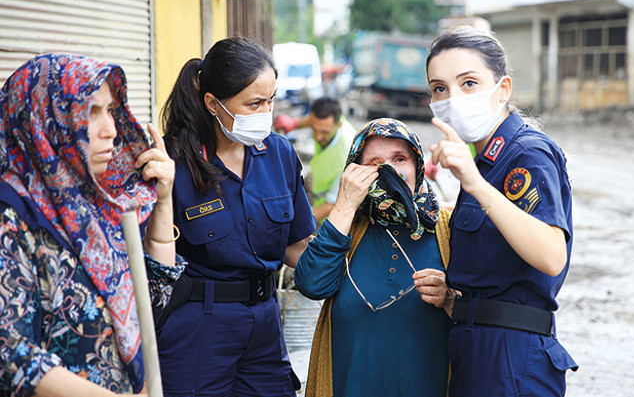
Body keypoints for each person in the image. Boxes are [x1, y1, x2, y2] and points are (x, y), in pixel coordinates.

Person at [0, 53, 184, 396]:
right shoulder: (11, 216)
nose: (110, 130)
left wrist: (162, 201)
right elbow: (10, 354)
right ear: (45, 120)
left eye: (111, 111)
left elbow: (153, 299)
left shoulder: (99, 204)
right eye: (90, 113)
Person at [157, 37, 315, 396]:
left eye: (271, 100)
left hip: (265, 323)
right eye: (254, 103)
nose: (266, 112)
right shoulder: (174, 162)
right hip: (198, 326)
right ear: (213, 103)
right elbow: (151, 263)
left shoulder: (278, 154)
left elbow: (298, 246)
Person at [426, 26, 578, 396]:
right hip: (475, 347)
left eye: (469, 83)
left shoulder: (525, 154)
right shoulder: (484, 160)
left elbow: (551, 255)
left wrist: (476, 183)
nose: (453, 98)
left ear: (503, 89)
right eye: (439, 88)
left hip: (512, 357)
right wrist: (450, 297)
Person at [294, 118, 454, 397]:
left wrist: (450, 298)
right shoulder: (348, 228)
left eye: (400, 158)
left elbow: (486, 312)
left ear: (418, 165)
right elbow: (311, 283)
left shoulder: (450, 227)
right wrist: (344, 205)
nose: (388, 170)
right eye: (373, 163)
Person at [274, 97, 357, 222]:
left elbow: (331, 204)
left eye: (324, 132)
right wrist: (294, 123)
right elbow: (314, 121)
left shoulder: (348, 157)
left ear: (338, 125)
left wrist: (299, 226)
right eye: (315, 129)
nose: (318, 137)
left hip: (331, 215)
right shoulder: (329, 122)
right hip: (318, 197)